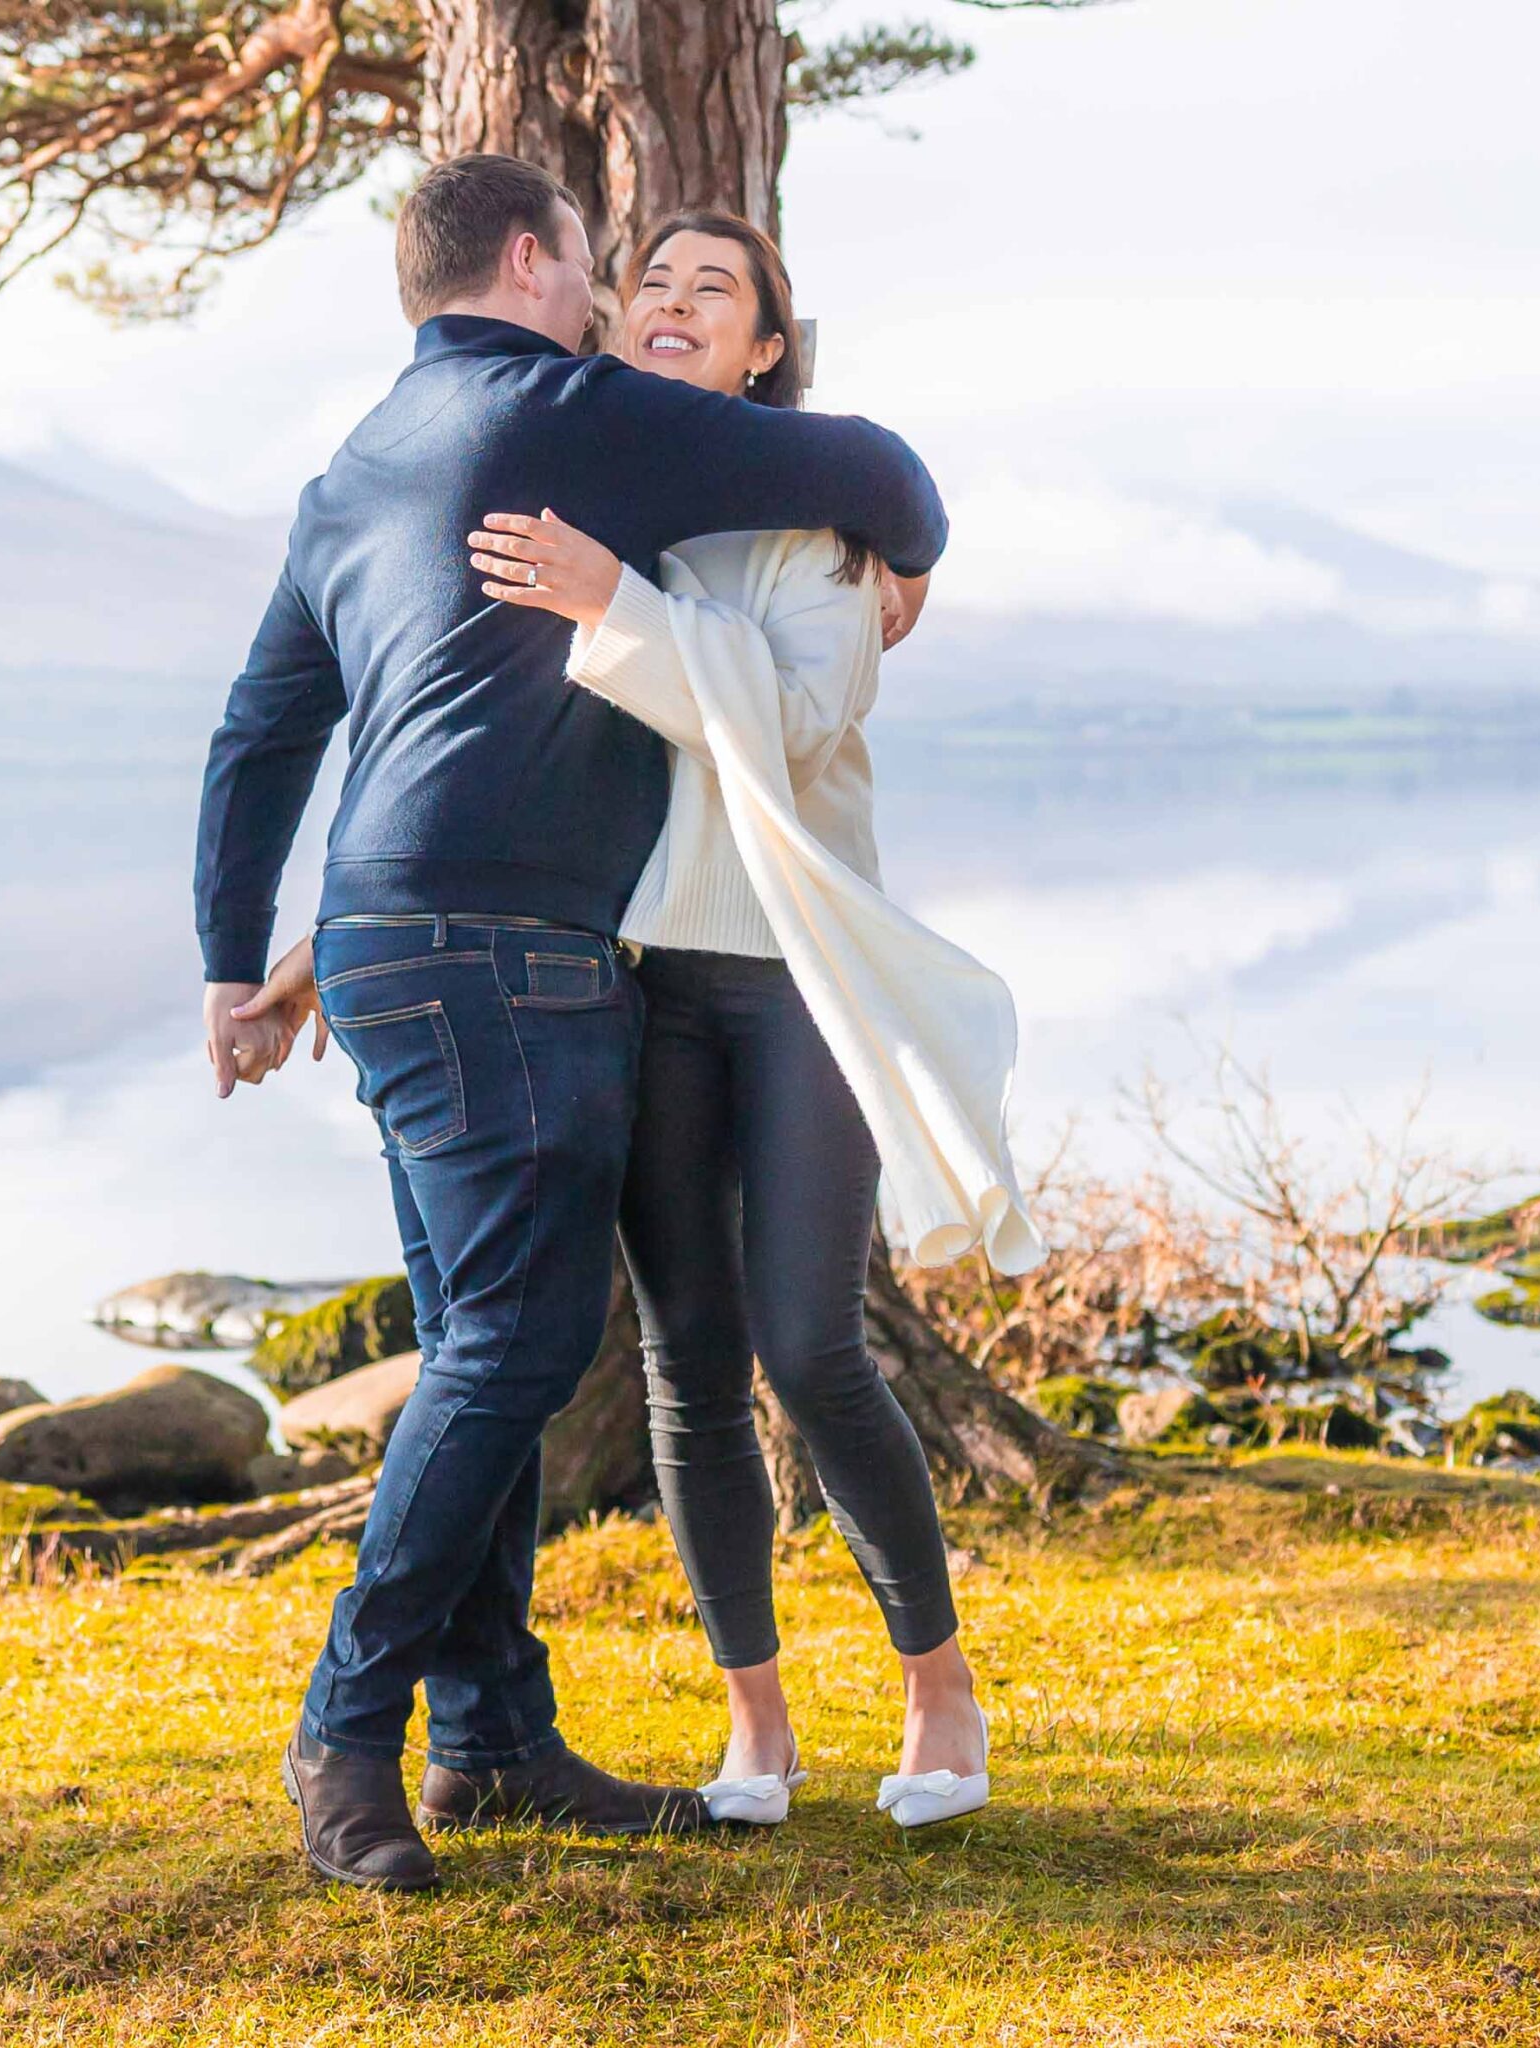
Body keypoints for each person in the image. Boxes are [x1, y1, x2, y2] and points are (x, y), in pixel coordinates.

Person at [194, 153, 949, 1893]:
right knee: (516, 1354)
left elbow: (260, 737)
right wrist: (913, 552)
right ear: (537, 264)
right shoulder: (574, 409)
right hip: (507, 948)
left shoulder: (349, 470)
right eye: (613, 273)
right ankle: (347, 1727)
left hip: (385, 942)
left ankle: (490, 1739)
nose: (629, 305)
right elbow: (882, 470)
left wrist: (246, 960)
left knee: (479, 1336)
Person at [455, 210, 1045, 1831]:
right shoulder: (613, 513)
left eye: (715, 290)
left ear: (764, 351)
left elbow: (786, 725)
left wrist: (614, 613)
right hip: (641, 978)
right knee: (688, 1362)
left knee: (810, 1343)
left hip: (793, 979)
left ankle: (940, 1692)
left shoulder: (823, 530)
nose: (671, 303)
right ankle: (758, 1728)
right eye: (650, 281)